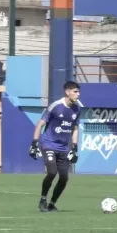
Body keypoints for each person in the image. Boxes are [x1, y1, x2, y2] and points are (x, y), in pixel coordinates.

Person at [29, 81, 81, 212]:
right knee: (52, 172)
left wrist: (74, 148)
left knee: (64, 177)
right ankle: (42, 200)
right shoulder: (55, 106)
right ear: (67, 92)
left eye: (78, 92)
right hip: (49, 144)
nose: (78, 94)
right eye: (75, 91)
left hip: (63, 148)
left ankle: (52, 203)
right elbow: (39, 125)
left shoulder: (77, 109)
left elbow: (75, 129)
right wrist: (34, 144)